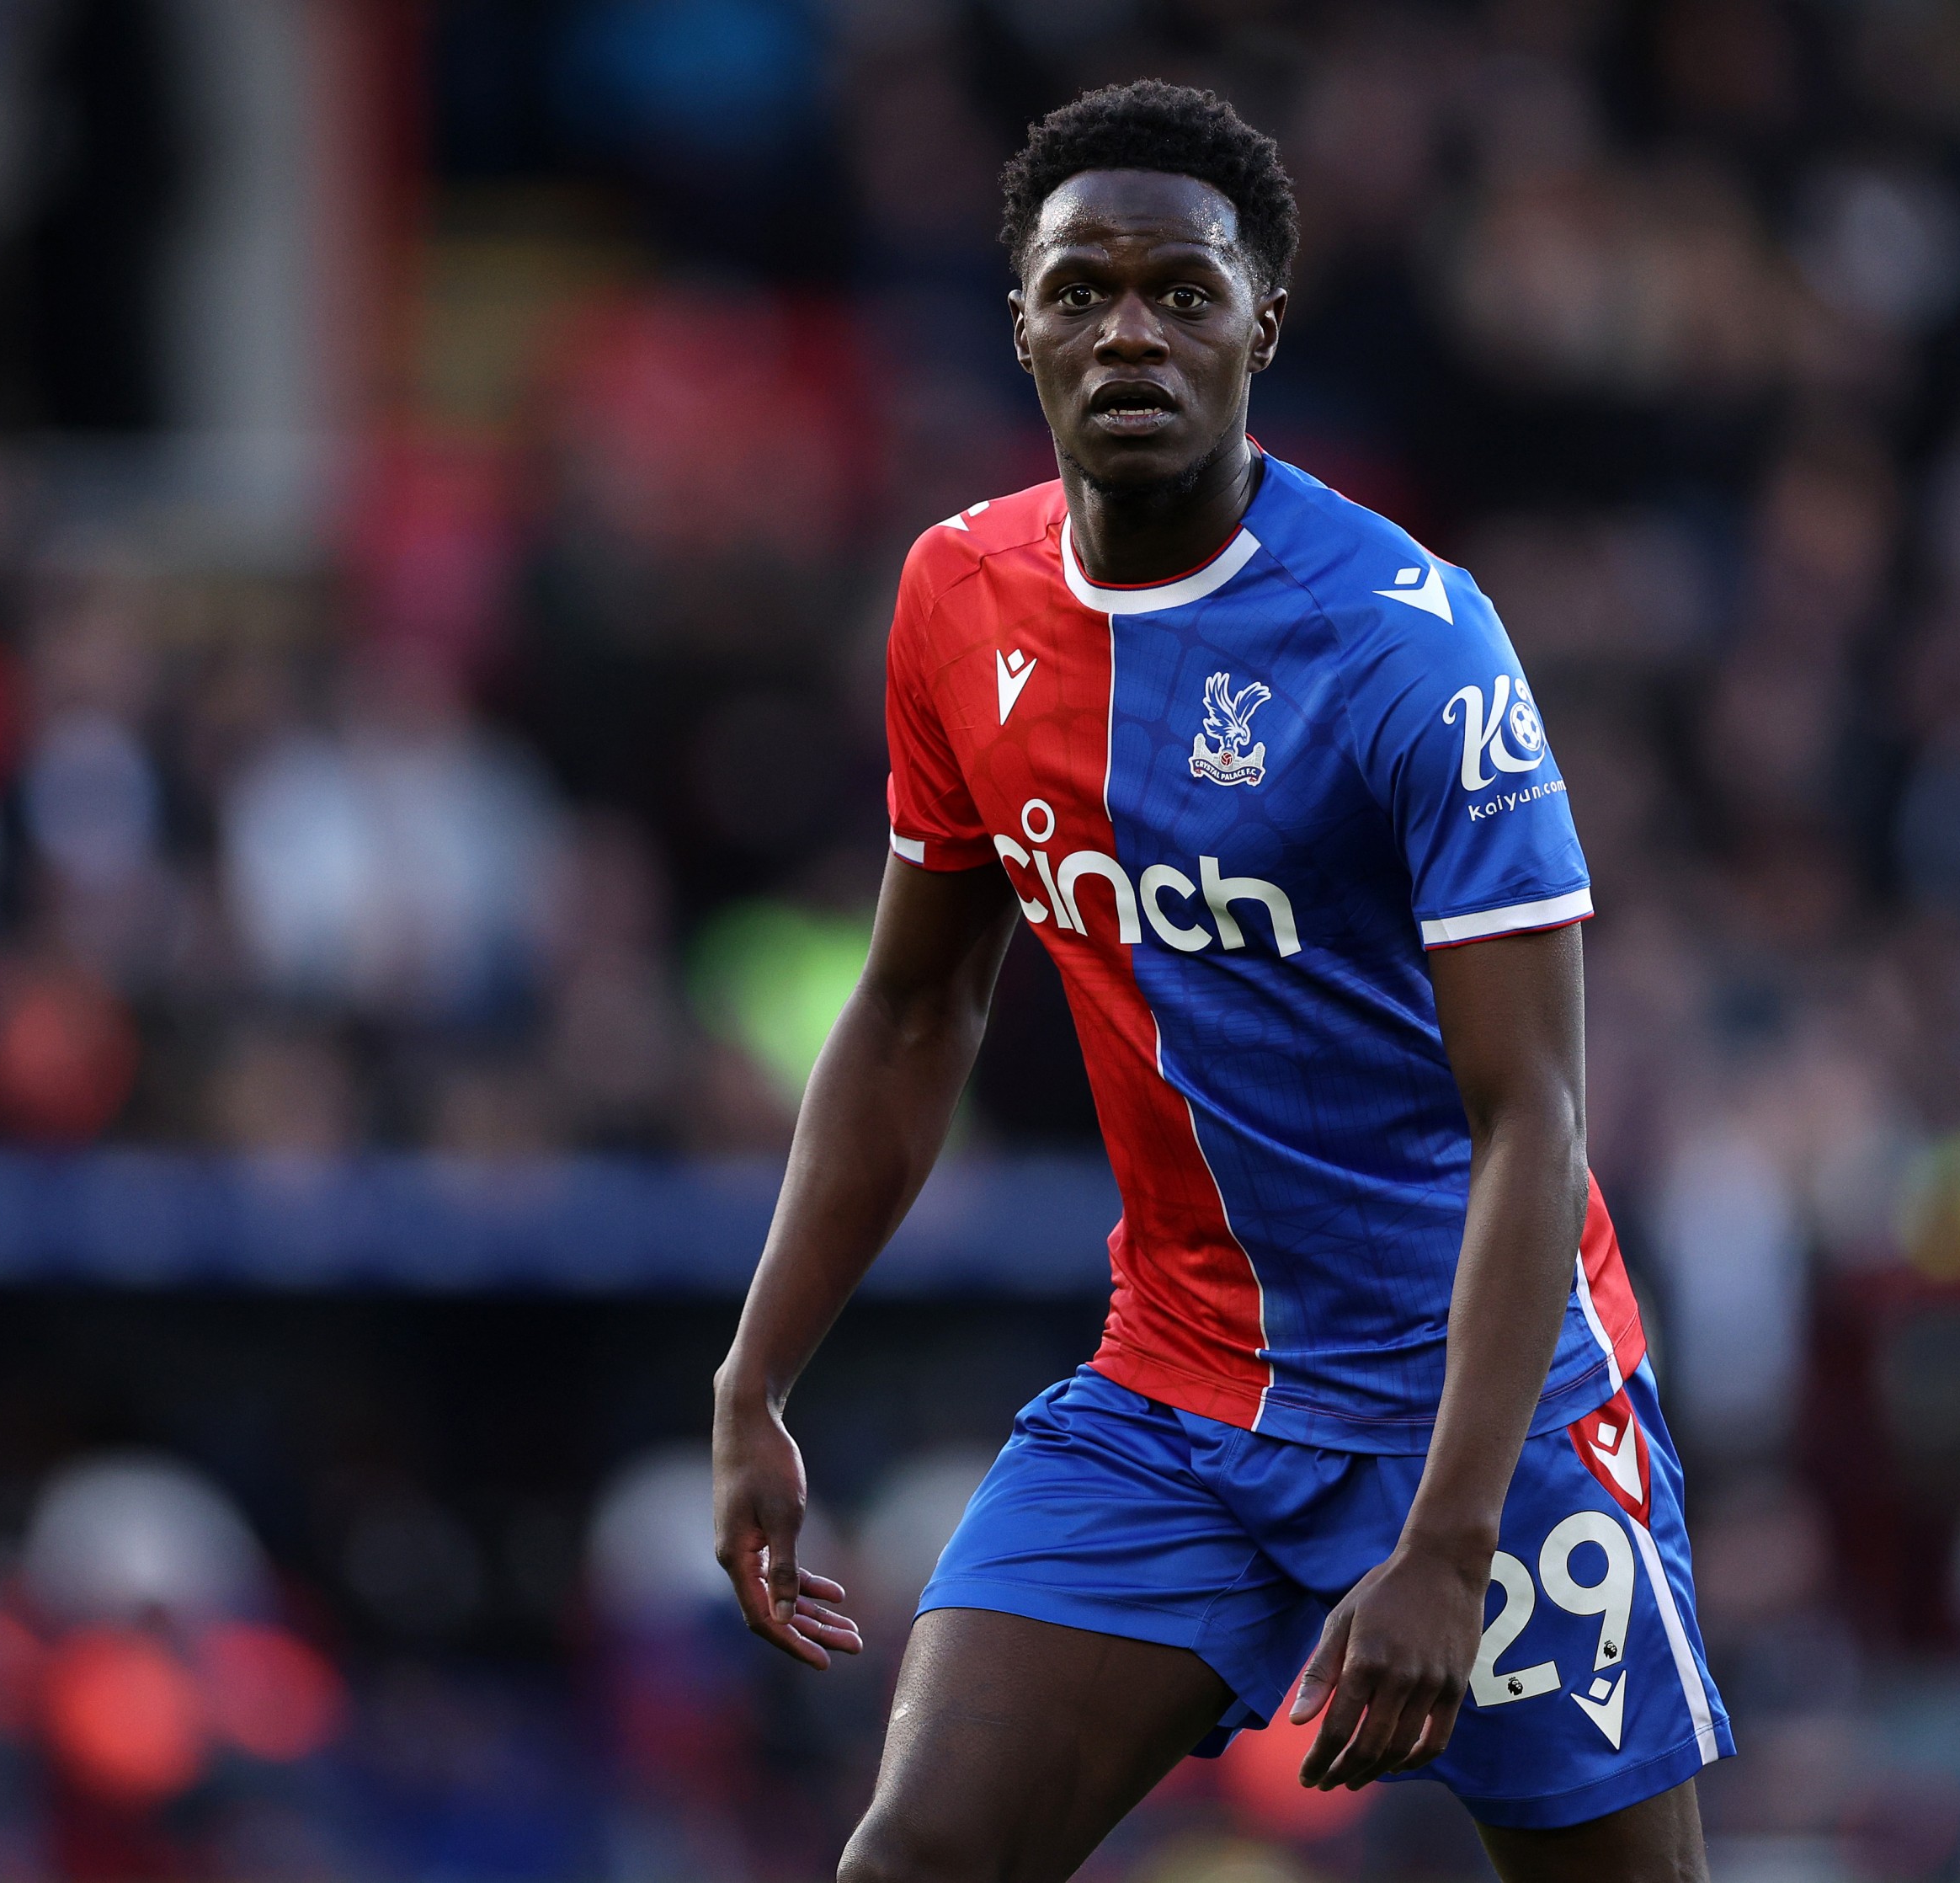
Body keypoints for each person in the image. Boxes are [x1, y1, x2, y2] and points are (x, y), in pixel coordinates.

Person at [711, 79, 1728, 1882]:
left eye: (1179, 292)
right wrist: (755, 1373)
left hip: (1477, 1413)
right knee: (912, 1859)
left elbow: (1532, 1118)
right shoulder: (957, 595)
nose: (1129, 327)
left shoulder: (1410, 645)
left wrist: (1448, 1533)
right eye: (1078, 286)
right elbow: (910, 1008)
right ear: (1015, 317)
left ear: (1263, 319)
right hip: (1175, 1396)